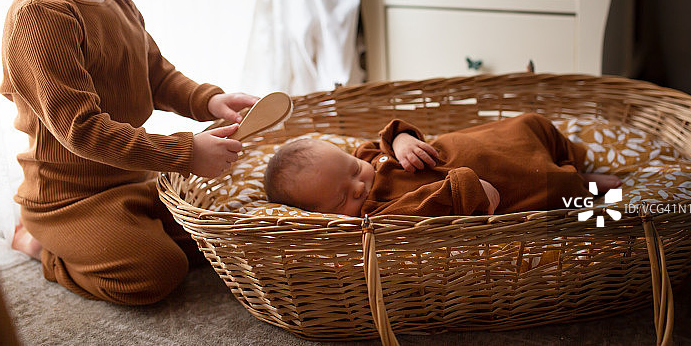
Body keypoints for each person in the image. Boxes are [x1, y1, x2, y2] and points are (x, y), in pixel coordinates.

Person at [1, 0, 259, 305]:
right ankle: (43, 248)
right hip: (71, 201)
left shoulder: (115, 1)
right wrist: (183, 152)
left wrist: (209, 101)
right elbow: (82, 131)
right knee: (156, 272)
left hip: (130, 180)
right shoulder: (38, 17)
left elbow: (156, 75)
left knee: (219, 235)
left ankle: (130, 226)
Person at [264, 113, 622, 217]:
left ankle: (571, 157)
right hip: (492, 181)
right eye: (343, 199)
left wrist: (402, 141)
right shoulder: (379, 214)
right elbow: (431, 206)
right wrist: (467, 190)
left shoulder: (365, 159)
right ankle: (583, 180)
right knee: (553, 186)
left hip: (482, 144)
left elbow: (382, 139)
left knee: (531, 123)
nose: (359, 184)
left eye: (352, 171)